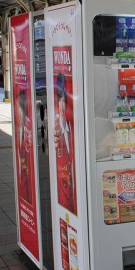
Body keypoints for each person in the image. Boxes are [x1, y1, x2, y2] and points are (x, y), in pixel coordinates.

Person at [54, 72, 77, 214]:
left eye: (64, 101)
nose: (62, 106)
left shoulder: (74, 128)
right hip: (64, 196)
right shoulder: (55, 129)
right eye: (60, 101)